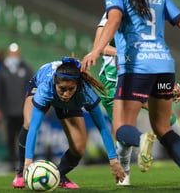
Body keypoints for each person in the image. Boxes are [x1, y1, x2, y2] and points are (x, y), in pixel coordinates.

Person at [82, 0, 180, 190]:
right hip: (164, 66)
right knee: (163, 126)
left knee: (121, 128)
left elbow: (115, 20)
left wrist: (96, 51)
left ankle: (141, 140)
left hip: (135, 67)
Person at [12, 57, 124, 189]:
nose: (66, 94)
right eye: (63, 89)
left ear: (77, 85)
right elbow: (35, 128)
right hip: (38, 86)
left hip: (69, 103)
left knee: (79, 148)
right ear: (55, 82)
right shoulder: (45, 88)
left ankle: (58, 176)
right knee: (29, 122)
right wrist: (28, 163)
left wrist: (114, 161)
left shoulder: (85, 92)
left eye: (71, 89)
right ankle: (20, 172)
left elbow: (103, 128)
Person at [0, 43, 33, 171]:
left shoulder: (26, 69)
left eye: (16, 54)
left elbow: (33, 88)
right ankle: (12, 161)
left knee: (24, 137)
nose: (14, 56)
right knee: (10, 138)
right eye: (12, 54)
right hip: (9, 111)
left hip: (23, 110)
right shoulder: (3, 71)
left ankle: (25, 161)